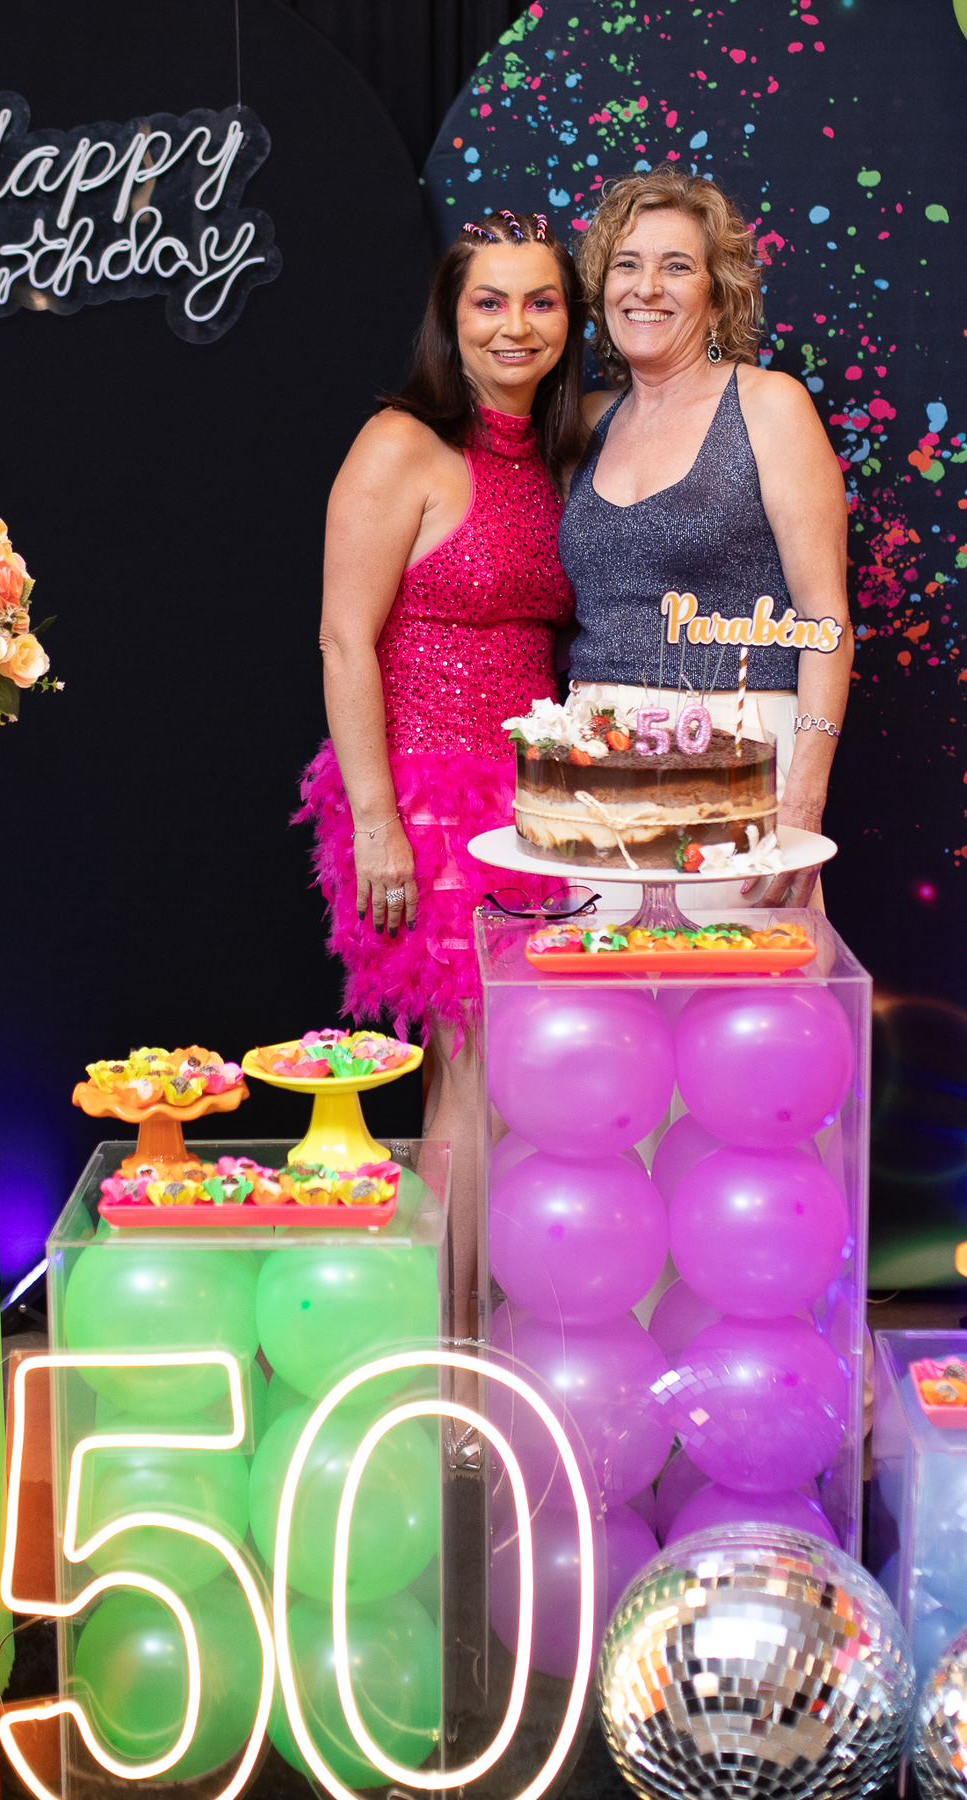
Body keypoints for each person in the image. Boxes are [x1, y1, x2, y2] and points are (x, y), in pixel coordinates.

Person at [297, 209, 588, 1341]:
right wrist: (377, 823)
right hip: (427, 797)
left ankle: (507, 1319)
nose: (517, 325)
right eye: (489, 301)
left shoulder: (559, 452)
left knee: (533, 1076)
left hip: (540, 803)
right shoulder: (401, 444)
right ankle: (457, 1343)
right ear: (450, 318)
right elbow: (342, 640)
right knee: (469, 1075)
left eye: (541, 301)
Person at [561, 164, 852, 910]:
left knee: (733, 976)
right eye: (626, 264)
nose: (646, 287)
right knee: (599, 977)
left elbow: (827, 621)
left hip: (738, 753)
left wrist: (804, 797)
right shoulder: (587, 421)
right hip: (594, 764)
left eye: (677, 267)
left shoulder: (770, 406)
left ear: (718, 295)